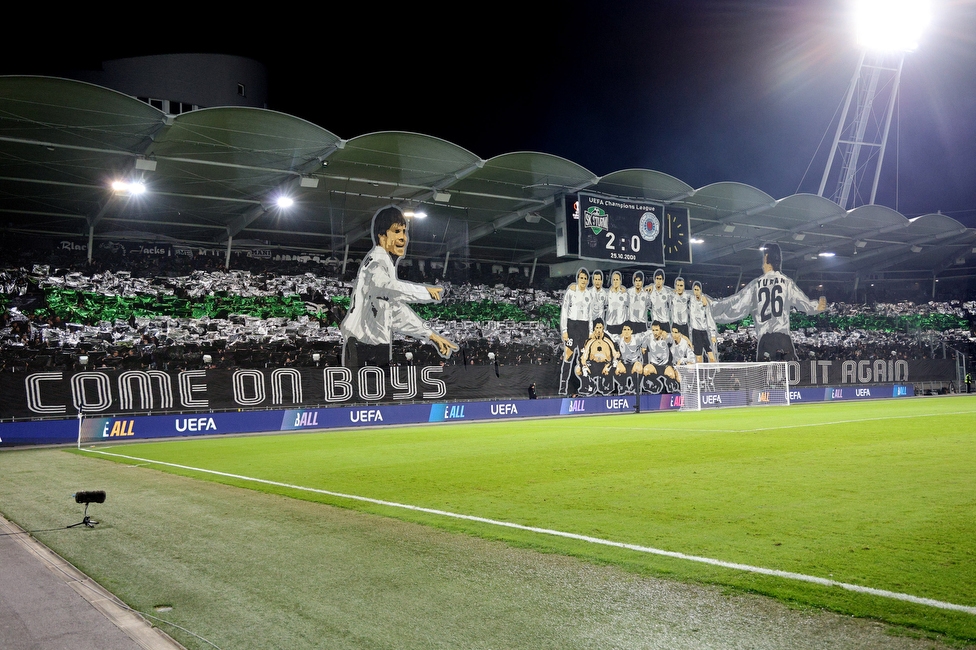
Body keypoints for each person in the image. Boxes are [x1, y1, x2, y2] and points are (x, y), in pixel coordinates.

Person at [341, 206, 457, 368]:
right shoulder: (377, 261)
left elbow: (395, 311)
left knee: (380, 391)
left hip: (372, 346)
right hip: (363, 347)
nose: (403, 237)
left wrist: (432, 336)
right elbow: (387, 288)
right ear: (382, 236)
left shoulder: (385, 263)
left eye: (404, 231)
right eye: (396, 231)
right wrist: (425, 292)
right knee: (368, 391)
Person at [709, 243, 826, 362]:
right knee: (791, 376)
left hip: (766, 341)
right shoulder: (787, 283)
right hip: (783, 339)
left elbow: (736, 306)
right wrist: (817, 307)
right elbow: (804, 304)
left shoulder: (756, 284)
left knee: (765, 378)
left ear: (766, 258)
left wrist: (711, 308)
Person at [559, 267, 592, 395]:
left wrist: (589, 332)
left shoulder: (589, 294)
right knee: (568, 354)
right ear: (577, 279)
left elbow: (590, 315)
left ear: (587, 280)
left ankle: (584, 386)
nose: (583, 280)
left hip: (584, 326)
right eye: (581, 278)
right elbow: (565, 310)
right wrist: (564, 330)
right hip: (572, 325)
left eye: (585, 278)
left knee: (583, 357)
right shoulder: (571, 291)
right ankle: (563, 387)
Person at [689, 281, 718, 363]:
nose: (696, 291)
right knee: (698, 358)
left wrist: (712, 334)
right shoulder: (690, 299)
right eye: (695, 289)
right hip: (695, 332)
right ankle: (700, 374)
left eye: (698, 290)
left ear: (700, 290)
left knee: (711, 357)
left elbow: (709, 318)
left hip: (704, 332)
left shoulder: (705, 302)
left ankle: (715, 373)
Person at [604, 270, 629, 336]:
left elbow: (628, 306)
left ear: (620, 281)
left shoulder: (624, 293)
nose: (615, 281)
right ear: (612, 281)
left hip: (621, 323)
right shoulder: (608, 293)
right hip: (610, 324)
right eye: (614, 279)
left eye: (617, 279)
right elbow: (604, 306)